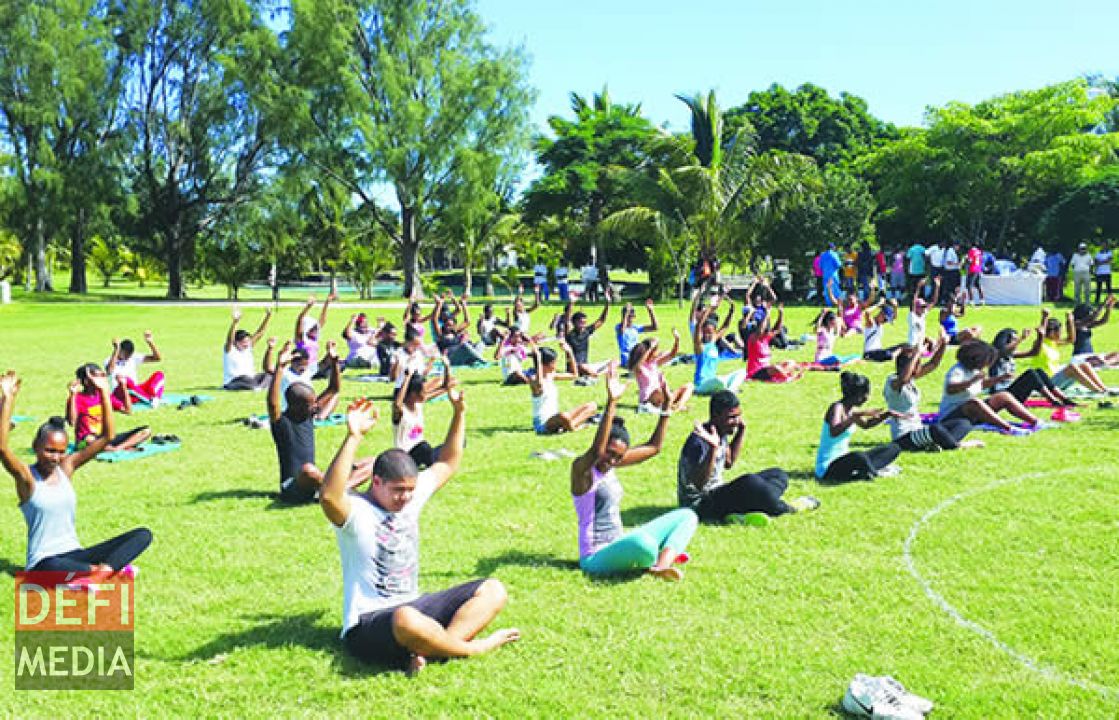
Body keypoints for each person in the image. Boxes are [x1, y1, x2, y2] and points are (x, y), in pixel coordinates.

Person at [321, 392, 519, 674]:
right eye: (398, 491)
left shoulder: (411, 495)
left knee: (493, 590)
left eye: (410, 490)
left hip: (413, 604)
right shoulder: (355, 512)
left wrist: (459, 412)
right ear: (376, 482)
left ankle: (432, 648)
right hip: (368, 623)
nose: (405, 498)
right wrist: (353, 437)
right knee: (407, 620)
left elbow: (448, 462)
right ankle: (471, 648)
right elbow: (329, 496)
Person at [0, 371, 151, 575]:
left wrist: (105, 392)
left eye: (61, 452)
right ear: (36, 446)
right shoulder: (27, 478)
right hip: (44, 562)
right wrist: (8, 398)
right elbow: (2, 449)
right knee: (50, 566)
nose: (55, 458)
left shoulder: (66, 469)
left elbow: (107, 437)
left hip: (75, 554)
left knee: (142, 535)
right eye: (50, 450)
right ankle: (103, 572)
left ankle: (97, 574)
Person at [570, 372, 694, 580]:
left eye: (618, 457)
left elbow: (653, 448)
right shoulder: (583, 472)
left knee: (687, 516)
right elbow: (595, 452)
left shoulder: (612, 464)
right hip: (595, 557)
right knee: (643, 544)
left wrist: (666, 410)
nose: (612, 461)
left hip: (620, 544)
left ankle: (660, 566)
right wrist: (612, 402)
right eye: (609, 454)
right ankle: (655, 555)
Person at [679, 391, 818, 522]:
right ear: (715, 415)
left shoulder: (720, 431)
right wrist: (713, 448)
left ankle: (752, 507)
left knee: (778, 474)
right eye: (732, 417)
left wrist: (741, 431)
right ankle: (787, 508)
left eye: (738, 416)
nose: (737, 421)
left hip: (718, 493)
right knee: (750, 482)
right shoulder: (698, 442)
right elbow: (698, 484)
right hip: (700, 506)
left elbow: (729, 462)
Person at [268, 341, 363, 504]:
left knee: (369, 463)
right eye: (311, 404)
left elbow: (334, 389)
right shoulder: (281, 422)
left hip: (314, 482)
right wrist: (280, 367)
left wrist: (334, 364)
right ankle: (336, 489)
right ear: (296, 406)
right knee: (309, 470)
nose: (316, 407)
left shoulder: (307, 415)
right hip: (293, 488)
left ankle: (336, 488)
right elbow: (272, 403)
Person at [884, 335, 978, 452]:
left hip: (918, 429)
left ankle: (940, 443)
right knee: (936, 429)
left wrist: (944, 343)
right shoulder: (892, 382)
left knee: (963, 423)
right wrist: (917, 353)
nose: (921, 366)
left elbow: (933, 364)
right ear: (911, 367)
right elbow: (903, 379)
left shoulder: (910, 380)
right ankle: (957, 445)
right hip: (903, 436)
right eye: (918, 364)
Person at [938, 341, 1041, 435]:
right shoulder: (957, 370)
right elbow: (950, 388)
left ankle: (1036, 422)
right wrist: (972, 381)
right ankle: (1009, 429)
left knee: (1003, 396)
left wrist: (1000, 378)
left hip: (971, 414)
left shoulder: (974, 370)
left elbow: (981, 385)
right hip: (952, 415)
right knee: (974, 402)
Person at [815, 372, 901, 482]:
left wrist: (887, 414)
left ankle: (866, 470)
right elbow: (834, 431)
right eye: (865, 394)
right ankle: (873, 472)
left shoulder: (852, 410)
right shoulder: (837, 407)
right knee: (858, 456)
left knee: (893, 448)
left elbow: (866, 425)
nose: (867, 398)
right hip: (828, 468)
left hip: (846, 461)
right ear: (857, 394)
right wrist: (855, 416)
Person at [1018, 312, 1112, 395]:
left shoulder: (1053, 343)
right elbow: (1041, 333)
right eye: (1059, 331)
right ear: (1052, 332)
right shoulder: (1040, 344)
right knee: (1072, 367)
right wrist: (1044, 317)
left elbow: (1071, 339)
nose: (1060, 333)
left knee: (1085, 365)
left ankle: (1103, 388)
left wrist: (1070, 321)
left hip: (1056, 379)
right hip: (1046, 383)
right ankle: (1099, 391)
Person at [68, 364, 150, 452]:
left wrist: (123, 386)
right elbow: (72, 422)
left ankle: (118, 448)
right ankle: (121, 448)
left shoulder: (104, 395)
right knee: (90, 440)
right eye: (98, 376)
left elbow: (128, 410)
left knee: (146, 431)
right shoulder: (77, 398)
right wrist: (72, 395)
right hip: (86, 441)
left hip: (107, 437)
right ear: (87, 381)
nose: (103, 379)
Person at [989, 327, 1078, 408]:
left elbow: (1033, 353)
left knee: (1039, 371)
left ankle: (1064, 399)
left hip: (1011, 391)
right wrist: (1021, 338)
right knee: (1030, 374)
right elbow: (1002, 351)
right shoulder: (995, 354)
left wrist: (1040, 337)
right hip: (1000, 394)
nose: (1016, 343)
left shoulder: (1011, 354)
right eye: (1013, 340)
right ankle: (1053, 401)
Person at [527, 340, 600, 434]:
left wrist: (569, 352)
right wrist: (538, 359)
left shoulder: (551, 375)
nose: (555, 365)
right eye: (553, 362)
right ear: (544, 365)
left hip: (557, 418)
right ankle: (573, 428)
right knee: (564, 415)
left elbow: (574, 375)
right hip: (543, 424)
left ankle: (569, 426)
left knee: (592, 406)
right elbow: (540, 384)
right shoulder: (533, 379)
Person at [393, 368, 454, 469]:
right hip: (405, 456)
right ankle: (437, 462)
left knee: (446, 446)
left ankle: (440, 457)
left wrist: (446, 367)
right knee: (424, 447)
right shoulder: (402, 411)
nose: (425, 395)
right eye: (423, 392)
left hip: (421, 451)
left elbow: (445, 387)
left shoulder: (418, 405)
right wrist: (407, 378)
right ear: (413, 394)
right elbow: (397, 403)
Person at [691, 300, 748, 395]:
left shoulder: (713, 342)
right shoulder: (699, 346)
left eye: (710, 332)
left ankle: (730, 390)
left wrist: (731, 311)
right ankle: (728, 390)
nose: (707, 335)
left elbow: (725, 326)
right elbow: (698, 326)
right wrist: (709, 309)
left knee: (742, 372)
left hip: (713, 381)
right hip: (701, 385)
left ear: (714, 332)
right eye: (705, 332)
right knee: (719, 381)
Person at [629, 332, 693, 413]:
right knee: (658, 391)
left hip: (662, 397)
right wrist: (650, 348)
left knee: (689, 386)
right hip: (649, 398)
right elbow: (638, 365)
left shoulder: (654, 363)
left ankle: (678, 406)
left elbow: (672, 355)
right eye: (656, 350)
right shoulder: (640, 367)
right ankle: (671, 406)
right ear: (650, 352)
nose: (658, 352)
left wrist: (677, 340)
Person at [747, 304, 804, 382]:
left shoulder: (765, 338)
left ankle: (784, 374)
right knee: (776, 368)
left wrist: (781, 314)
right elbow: (760, 330)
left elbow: (777, 329)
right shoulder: (753, 338)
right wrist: (767, 314)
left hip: (767, 369)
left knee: (791, 362)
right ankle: (789, 378)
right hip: (756, 372)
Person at [106, 332, 165, 407]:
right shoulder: (109, 360)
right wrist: (116, 349)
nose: (127, 357)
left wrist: (150, 342)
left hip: (136, 391)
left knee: (159, 375)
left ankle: (156, 399)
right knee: (126, 380)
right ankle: (150, 399)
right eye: (125, 355)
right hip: (121, 394)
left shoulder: (133, 357)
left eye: (129, 355)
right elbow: (109, 371)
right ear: (119, 351)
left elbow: (157, 358)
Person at [223, 307, 273, 390]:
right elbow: (229, 339)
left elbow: (260, 333)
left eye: (247, 342)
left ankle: (258, 387)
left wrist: (268, 316)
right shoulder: (230, 350)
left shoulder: (248, 348)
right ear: (236, 342)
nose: (246, 344)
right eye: (243, 342)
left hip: (251, 379)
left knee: (268, 375)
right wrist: (235, 322)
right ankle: (258, 387)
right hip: (234, 381)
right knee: (246, 379)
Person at [562, 298, 611, 381]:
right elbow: (567, 321)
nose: (583, 325)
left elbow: (601, 320)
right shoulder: (570, 334)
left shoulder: (587, 331)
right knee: (582, 367)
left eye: (584, 323)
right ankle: (597, 373)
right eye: (580, 322)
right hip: (574, 368)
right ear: (574, 323)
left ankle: (598, 371)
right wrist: (572, 302)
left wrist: (608, 303)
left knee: (614, 361)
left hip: (586, 366)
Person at [295, 294, 335, 379]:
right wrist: (308, 307)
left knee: (335, 359)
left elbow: (322, 321)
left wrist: (327, 303)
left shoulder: (313, 339)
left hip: (315, 367)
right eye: (313, 328)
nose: (316, 330)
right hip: (305, 369)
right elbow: (299, 320)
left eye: (316, 328)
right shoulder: (300, 341)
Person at [1071, 299, 1119, 367]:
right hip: (1080, 357)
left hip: (1090, 355)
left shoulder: (1087, 325)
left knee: (1116, 354)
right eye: (1089, 313)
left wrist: (1108, 309)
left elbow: (1103, 321)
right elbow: (1093, 317)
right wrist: (1103, 304)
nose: (1091, 314)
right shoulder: (1075, 325)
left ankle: (1105, 363)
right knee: (1098, 359)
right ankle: (1106, 363)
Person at [615, 299, 658, 367]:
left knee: (654, 341)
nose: (631, 318)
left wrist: (650, 310)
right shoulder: (619, 327)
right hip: (627, 358)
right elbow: (622, 331)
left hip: (638, 354)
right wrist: (626, 313)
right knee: (649, 360)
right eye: (629, 316)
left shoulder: (635, 327)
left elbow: (654, 327)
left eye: (632, 316)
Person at [906, 277, 940, 348]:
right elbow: (913, 302)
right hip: (913, 345)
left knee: (934, 342)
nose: (924, 308)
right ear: (916, 308)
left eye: (924, 306)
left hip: (920, 343)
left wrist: (937, 287)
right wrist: (919, 287)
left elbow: (934, 302)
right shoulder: (912, 316)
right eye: (922, 307)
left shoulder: (923, 314)